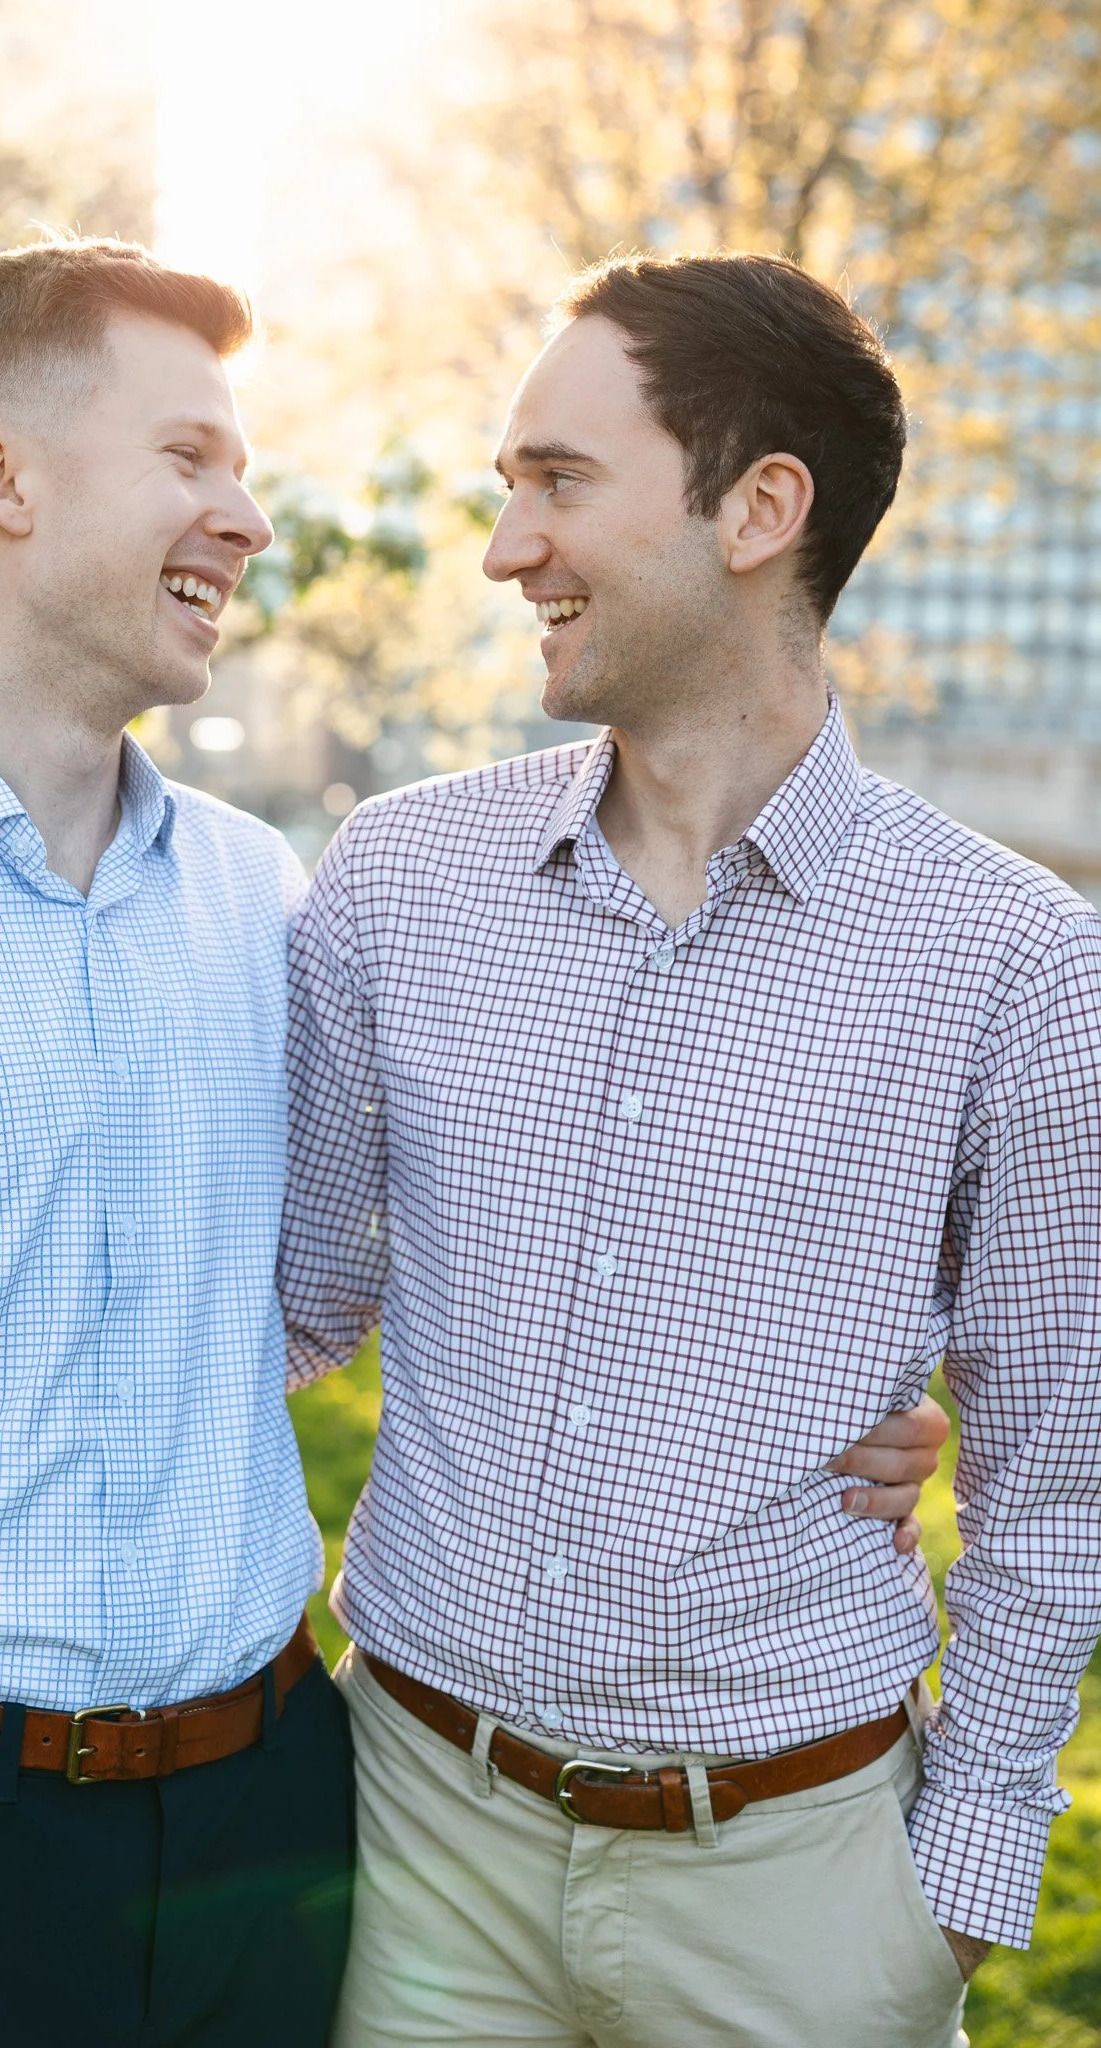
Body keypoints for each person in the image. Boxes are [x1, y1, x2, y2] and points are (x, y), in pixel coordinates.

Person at [0, 234, 943, 2048]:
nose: (248, 518)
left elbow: (335, 1273)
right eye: (189, 456)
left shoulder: (265, 899)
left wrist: (796, 1405)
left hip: (270, 1826)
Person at [279, 252, 1101, 2048]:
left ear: (757, 510)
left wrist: (959, 1885)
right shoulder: (396, 881)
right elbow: (283, 1307)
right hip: (414, 1851)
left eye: (559, 482)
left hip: (795, 1896)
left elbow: (1052, 1475)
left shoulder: (1013, 963)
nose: (506, 549)